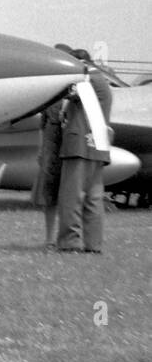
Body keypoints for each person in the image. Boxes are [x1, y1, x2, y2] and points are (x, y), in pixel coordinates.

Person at [56, 49, 114, 253]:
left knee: (71, 197)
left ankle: (70, 241)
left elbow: (69, 93)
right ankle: (93, 244)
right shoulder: (102, 81)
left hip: (79, 144)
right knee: (93, 198)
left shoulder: (86, 76)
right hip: (97, 146)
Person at [31, 99, 65, 246]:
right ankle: (50, 238)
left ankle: (63, 237)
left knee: (67, 195)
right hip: (50, 151)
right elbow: (42, 126)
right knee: (49, 195)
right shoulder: (51, 100)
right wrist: (41, 150)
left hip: (67, 149)